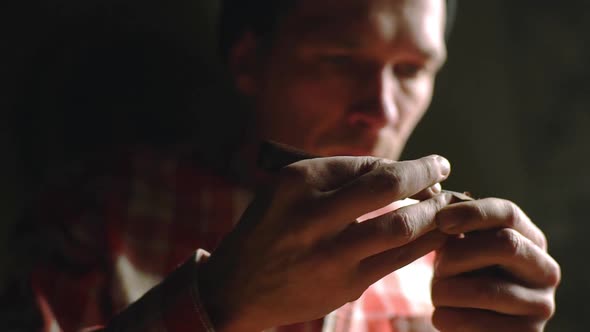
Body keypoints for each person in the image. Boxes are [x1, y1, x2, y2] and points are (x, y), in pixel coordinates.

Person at [8, 0, 560, 331]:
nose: (383, 110)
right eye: (340, 59)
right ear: (249, 59)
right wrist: (216, 305)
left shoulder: (452, 278)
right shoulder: (101, 212)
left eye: (412, 70)